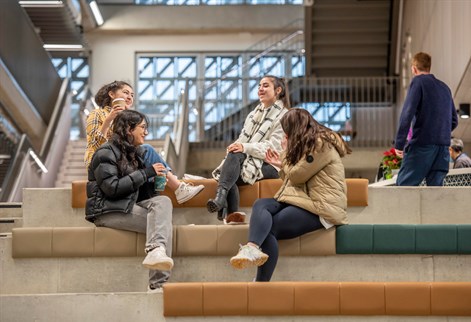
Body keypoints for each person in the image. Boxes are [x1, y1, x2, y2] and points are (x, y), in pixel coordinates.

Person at [229, 108, 351, 281]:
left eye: (287, 132)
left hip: (322, 208)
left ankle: (261, 284)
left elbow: (297, 176)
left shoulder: (321, 144)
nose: (285, 136)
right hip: (305, 201)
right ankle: (251, 247)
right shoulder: (310, 144)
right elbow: (296, 177)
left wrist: (284, 155)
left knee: (270, 228)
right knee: (260, 204)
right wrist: (281, 164)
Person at [86, 110, 173, 292]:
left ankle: (156, 253)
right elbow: (112, 188)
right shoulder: (105, 153)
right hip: (107, 210)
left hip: (126, 206)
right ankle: (157, 284)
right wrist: (146, 172)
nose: (146, 133)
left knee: (163, 203)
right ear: (128, 129)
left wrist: (155, 183)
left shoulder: (135, 154)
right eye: (143, 127)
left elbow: (140, 193)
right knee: (162, 228)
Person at [84, 80, 204, 204]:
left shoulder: (127, 117)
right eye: (126, 93)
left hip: (122, 159)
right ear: (111, 94)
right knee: (147, 150)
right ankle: (177, 185)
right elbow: (96, 146)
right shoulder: (97, 114)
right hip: (102, 163)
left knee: (147, 157)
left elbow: (128, 144)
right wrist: (109, 119)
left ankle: (170, 182)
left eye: (132, 95)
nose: (129, 97)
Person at [207, 75, 290, 222]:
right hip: (249, 158)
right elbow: (242, 140)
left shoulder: (284, 115)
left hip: (271, 164)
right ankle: (229, 211)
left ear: (278, 90)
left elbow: (273, 149)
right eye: (259, 86)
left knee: (226, 172)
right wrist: (236, 146)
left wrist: (244, 147)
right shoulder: (253, 114)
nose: (260, 89)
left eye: (265, 86)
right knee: (232, 158)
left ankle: (223, 203)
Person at [394, 52, 458, 186]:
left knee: (404, 188)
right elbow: (454, 120)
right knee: (435, 195)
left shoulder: (418, 82)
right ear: (429, 67)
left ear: (414, 68)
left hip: (422, 145)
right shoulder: (445, 88)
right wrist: (439, 133)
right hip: (443, 148)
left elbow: (407, 114)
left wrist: (399, 143)